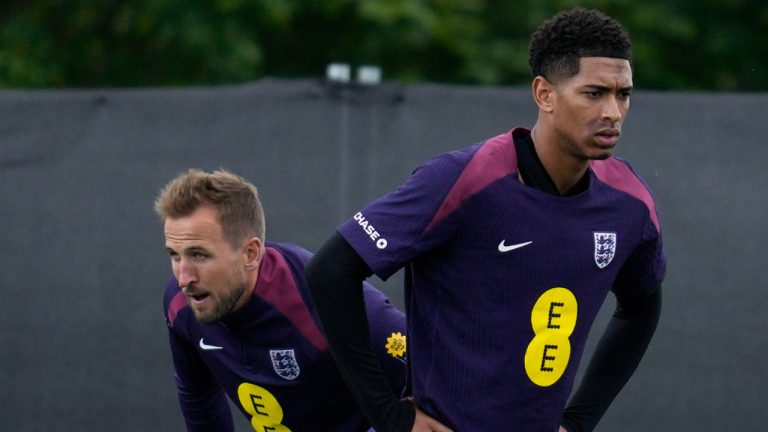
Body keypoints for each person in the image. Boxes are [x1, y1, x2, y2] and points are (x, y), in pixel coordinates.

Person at [305, 7, 666, 432]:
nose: (613, 111)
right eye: (593, 93)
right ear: (544, 94)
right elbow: (330, 272)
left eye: (623, 94)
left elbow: (641, 308)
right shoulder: (463, 178)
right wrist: (389, 415)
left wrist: (579, 421)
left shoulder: (629, 201)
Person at [155, 168, 408, 432]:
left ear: (251, 254)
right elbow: (197, 394)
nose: (184, 277)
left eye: (199, 255)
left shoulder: (320, 296)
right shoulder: (182, 303)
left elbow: (429, 375)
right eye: (175, 255)